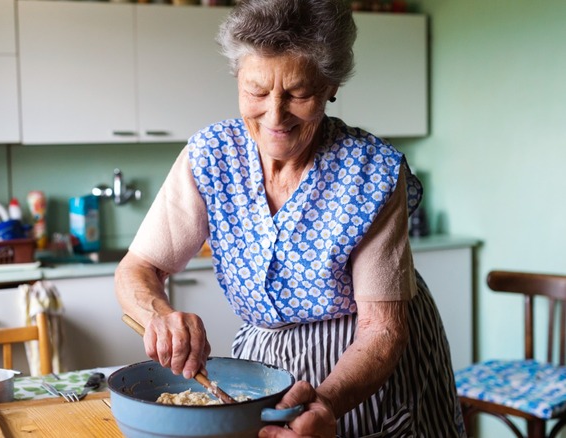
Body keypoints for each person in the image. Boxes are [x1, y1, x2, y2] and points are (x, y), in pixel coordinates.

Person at [114, 0, 465, 436]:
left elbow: (382, 330)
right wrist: (159, 315)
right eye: (257, 92)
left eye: (298, 93)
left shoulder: (371, 172)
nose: (275, 115)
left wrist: (326, 402)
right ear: (238, 79)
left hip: (369, 367)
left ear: (331, 84)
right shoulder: (209, 156)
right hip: (268, 365)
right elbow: (138, 268)